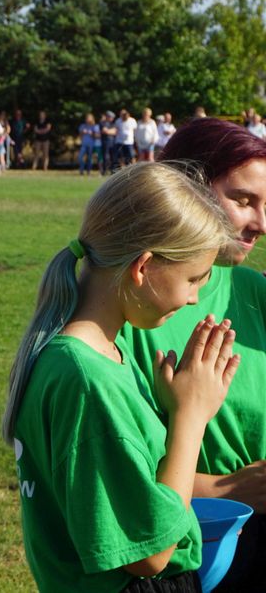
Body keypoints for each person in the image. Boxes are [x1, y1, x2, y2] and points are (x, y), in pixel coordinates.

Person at [4, 161, 240, 592]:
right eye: (192, 279)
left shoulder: (101, 352)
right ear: (143, 267)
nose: (194, 299)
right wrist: (190, 416)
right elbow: (150, 553)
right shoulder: (87, 378)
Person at [121, 119, 266, 591]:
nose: (261, 224)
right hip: (180, 548)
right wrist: (224, 489)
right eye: (243, 200)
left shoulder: (254, 291)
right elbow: (118, 471)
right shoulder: (133, 304)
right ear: (185, 189)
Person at [99, 111, 117, 175]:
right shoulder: (102, 123)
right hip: (105, 142)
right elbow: (105, 131)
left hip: (113, 143)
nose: (112, 118)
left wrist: (108, 131)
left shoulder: (113, 123)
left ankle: (112, 171)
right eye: (111, 117)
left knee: (113, 157)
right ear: (107, 117)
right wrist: (111, 131)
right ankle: (104, 171)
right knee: (105, 157)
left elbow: (115, 132)